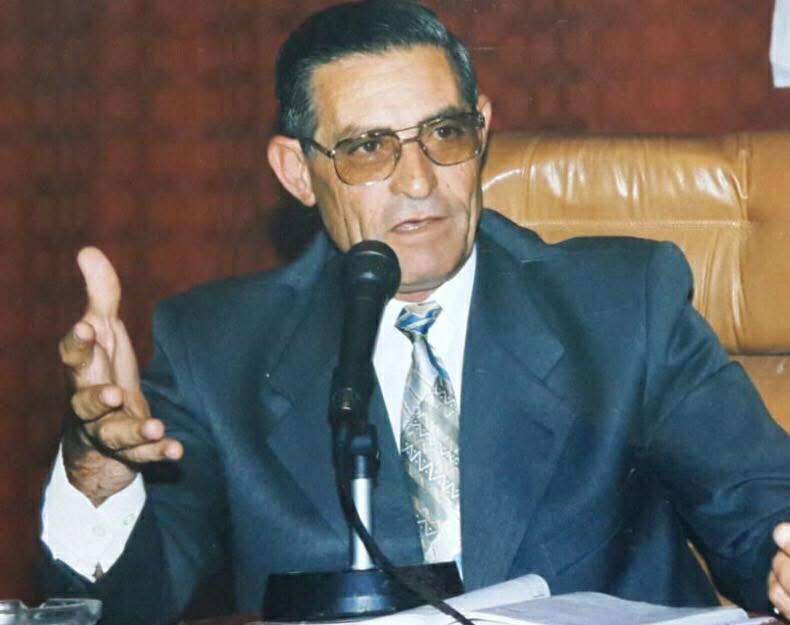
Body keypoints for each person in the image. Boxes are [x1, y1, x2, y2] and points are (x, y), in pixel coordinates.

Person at [39, 2, 790, 624]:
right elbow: (122, 607)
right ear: (297, 172)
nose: (419, 180)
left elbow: (761, 511)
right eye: (368, 148)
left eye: (444, 133)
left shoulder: (623, 306)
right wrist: (97, 467)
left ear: (482, 129)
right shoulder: (218, 350)